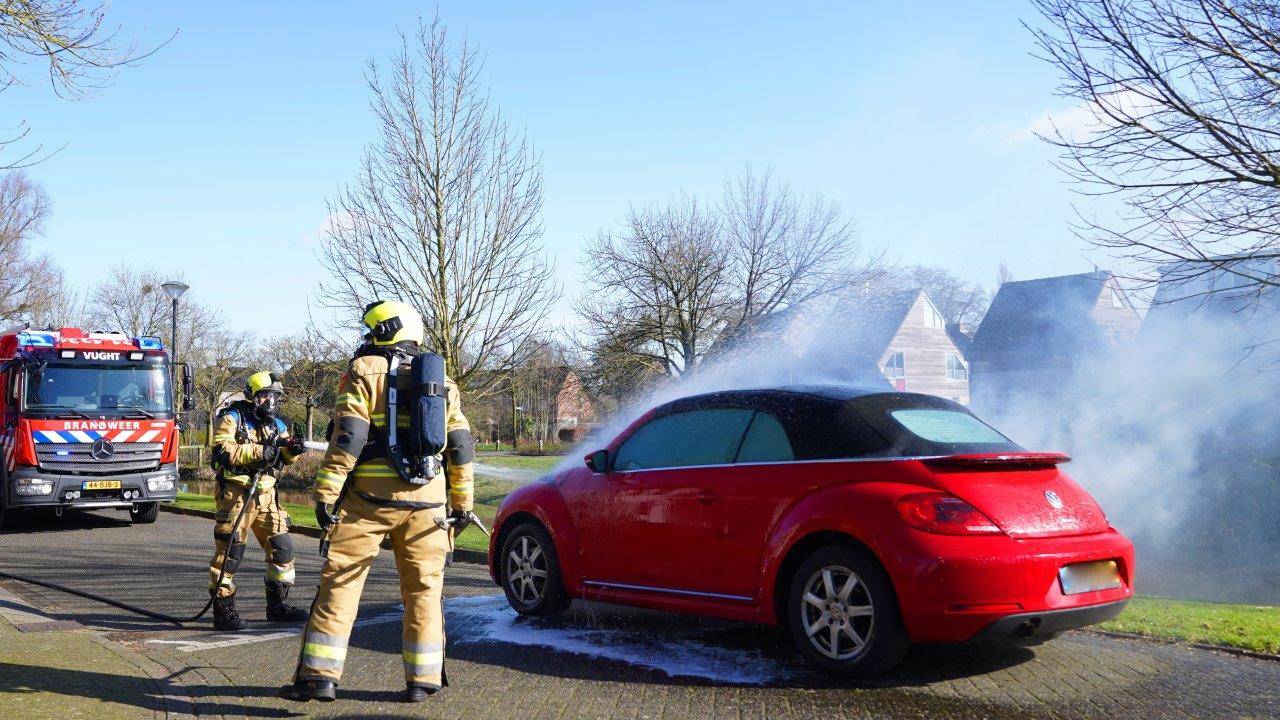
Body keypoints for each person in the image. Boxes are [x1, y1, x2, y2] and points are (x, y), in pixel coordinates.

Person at [278, 300, 475, 704]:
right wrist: (462, 503)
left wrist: (326, 493)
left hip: (368, 501)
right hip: (428, 505)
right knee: (424, 590)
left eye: (371, 331)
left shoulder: (363, 372)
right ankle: (423, 680)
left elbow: (348, 437)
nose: (365, 339)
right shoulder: (445, 382)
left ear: (385, 331)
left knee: (342, 583)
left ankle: (319, 677)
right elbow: (459, 446)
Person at [207, 371, 309, 631]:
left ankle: (278, 607)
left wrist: (292, 451)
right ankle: (224, 613)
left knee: (283, 551)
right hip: (236, 495)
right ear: (252, 396)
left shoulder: (278, 425)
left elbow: (283, 456)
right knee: (229, 556)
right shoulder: (232, 418)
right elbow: (222, 451)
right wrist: (260, 451)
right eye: (265, 396)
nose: (270, 402)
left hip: (267, 496)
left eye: (274, 397)